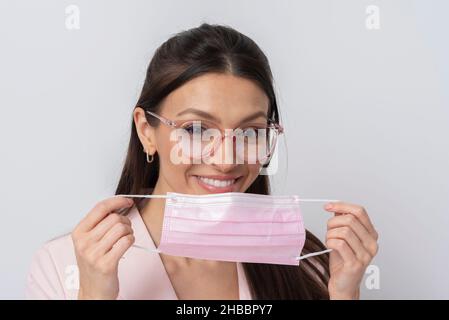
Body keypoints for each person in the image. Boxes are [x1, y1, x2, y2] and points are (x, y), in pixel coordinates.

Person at [25, 23, 378, 300]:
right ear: (146, 130)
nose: (226, 161)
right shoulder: (63, 266)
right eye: (196, 129)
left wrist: (344, 294)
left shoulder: (309, 264)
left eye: (251, 131)